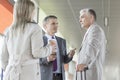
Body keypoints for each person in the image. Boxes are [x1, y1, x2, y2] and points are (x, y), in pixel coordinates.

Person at [0, 0, 55, 80]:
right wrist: (50, 47)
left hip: (10, 74)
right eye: (33, 11)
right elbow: (37, 53)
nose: (34, 13)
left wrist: (11, 69)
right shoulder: (35, 28)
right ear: (29, 12)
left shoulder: (8, 30)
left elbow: (3, 57)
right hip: (28, 73)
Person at [39, 15, 76, 80]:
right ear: (45, 26)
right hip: (46, 76)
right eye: (53, 23)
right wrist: (47, 59)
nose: (56, 26)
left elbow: (64, 60)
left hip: (60, 76)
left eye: (57, 23)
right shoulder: (40, 40)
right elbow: (37, 59)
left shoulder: (61, 41)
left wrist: (70, 55)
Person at [76, 8, 107, 80]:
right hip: (86, 73)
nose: (80, 20)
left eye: (82, 17)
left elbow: (93, 47)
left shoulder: (95, 29)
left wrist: (84, 62)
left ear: (91, 17)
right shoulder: (90, 31)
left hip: (90, 73)